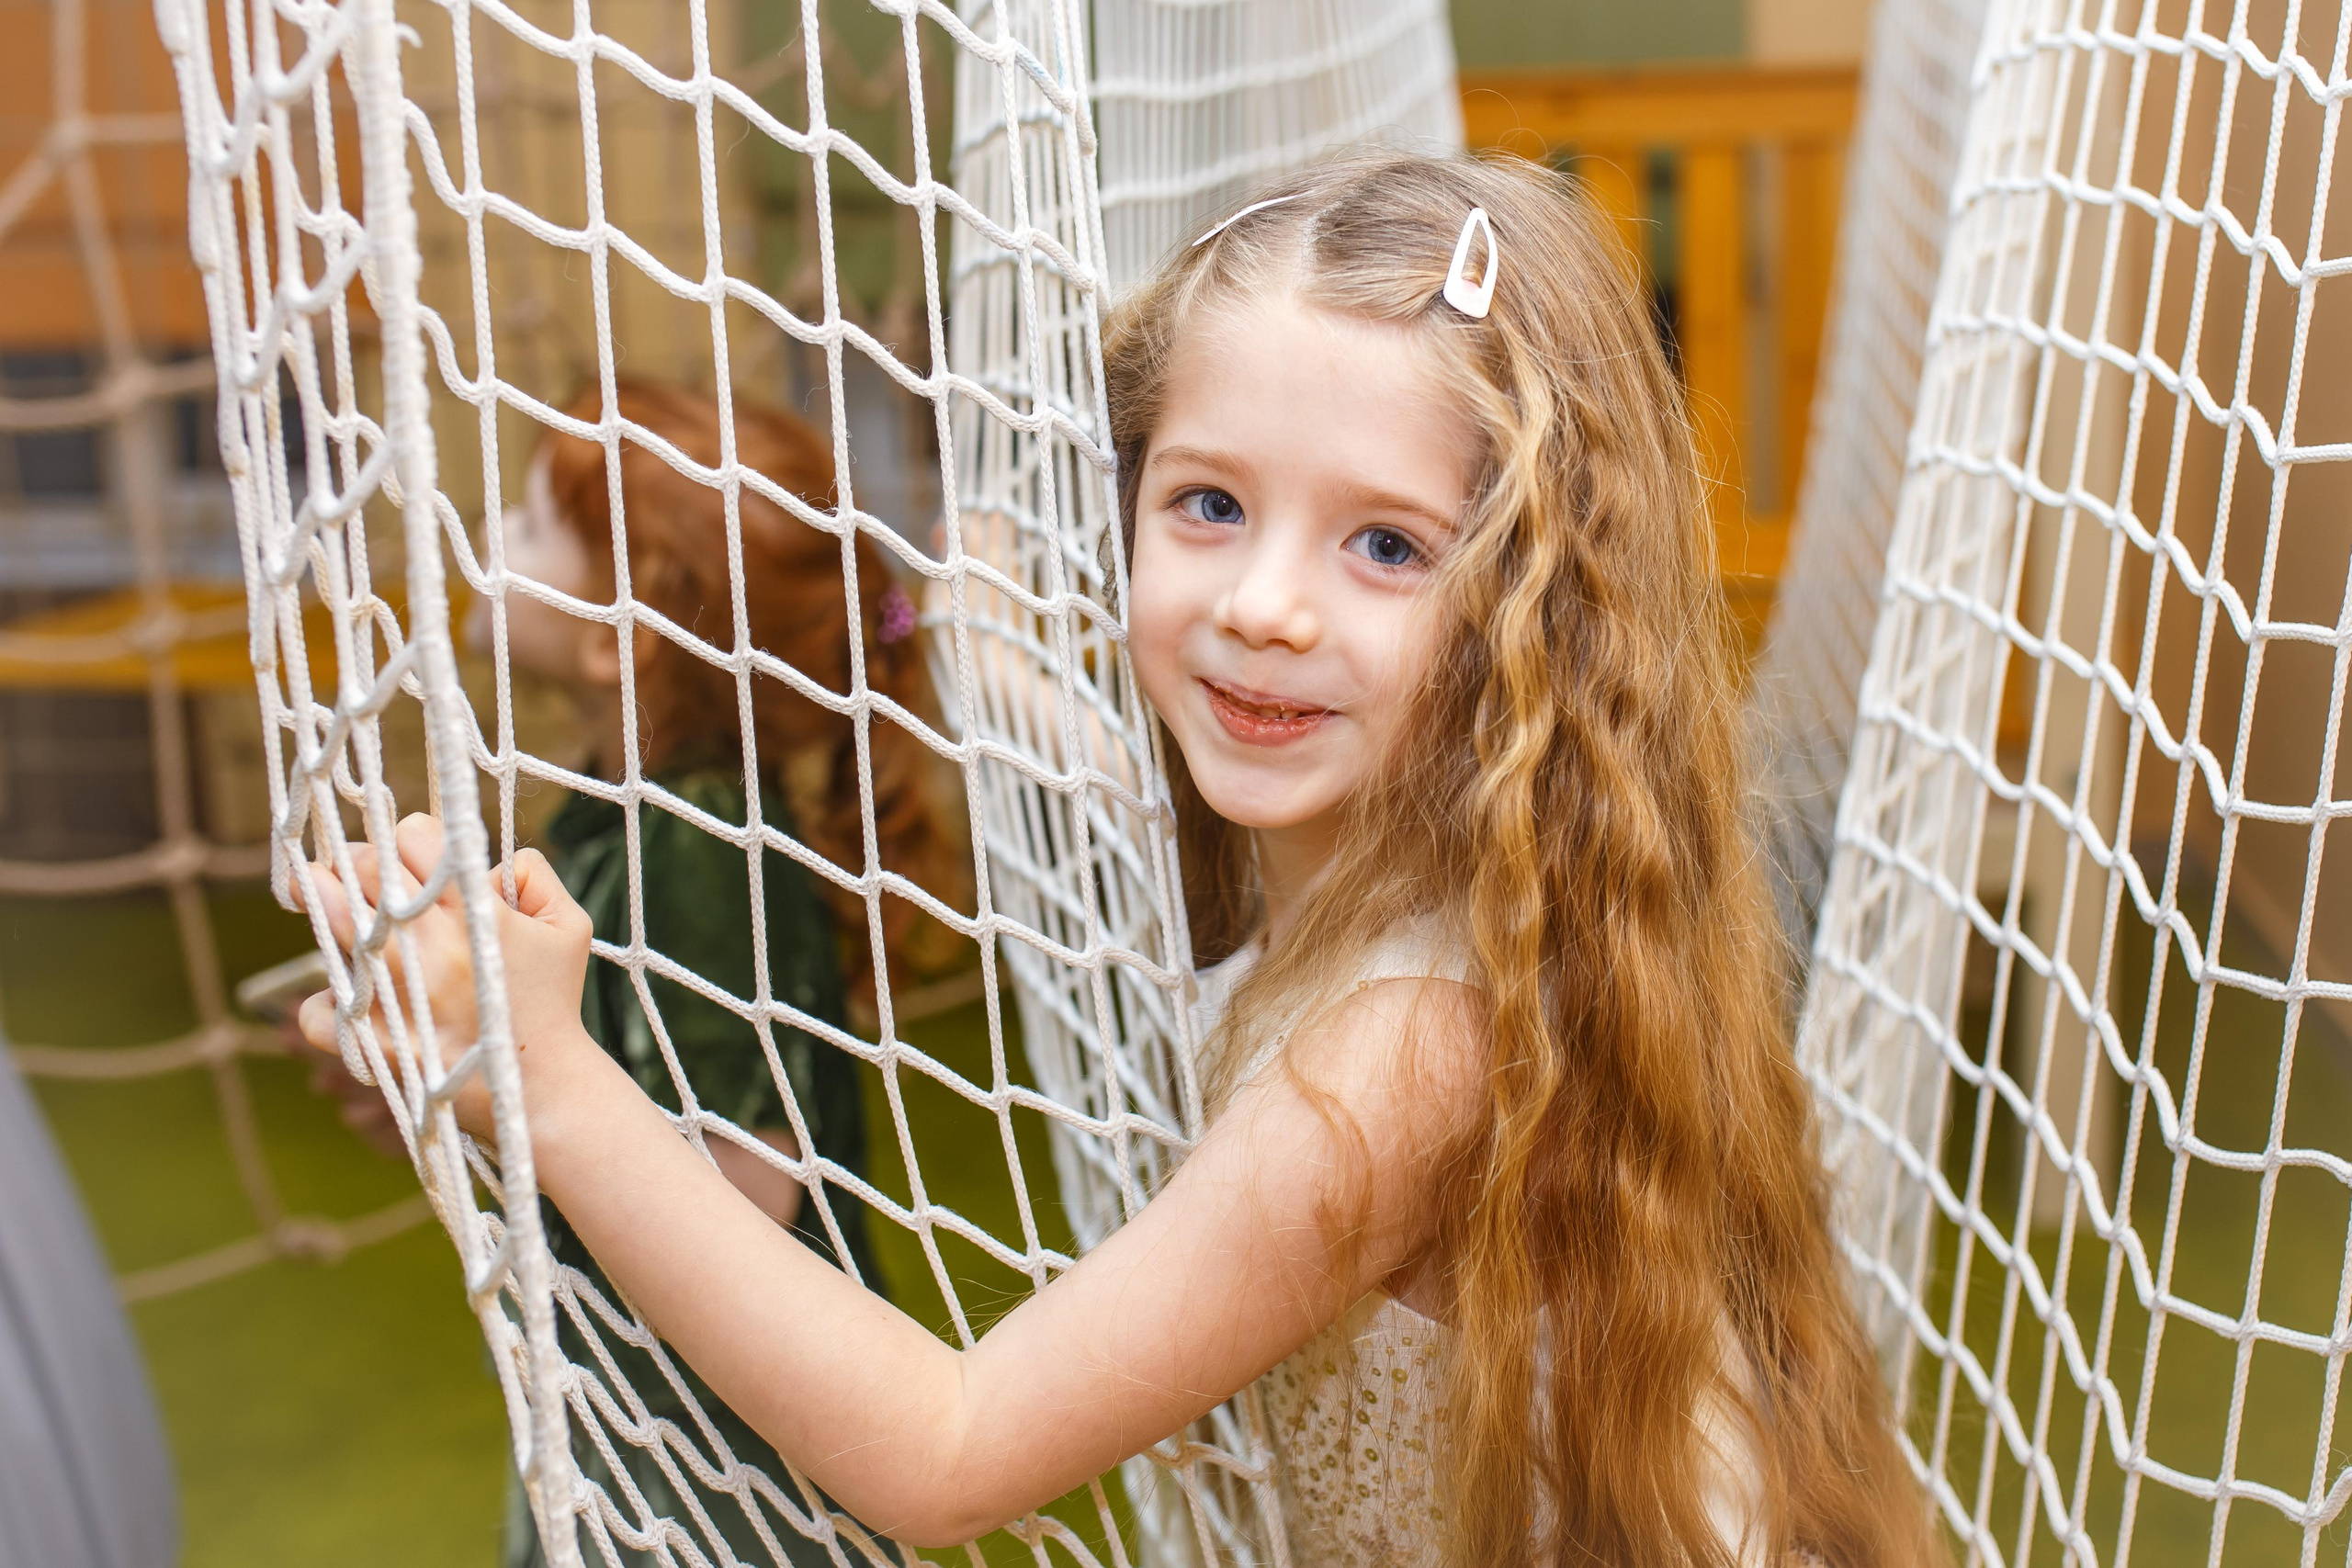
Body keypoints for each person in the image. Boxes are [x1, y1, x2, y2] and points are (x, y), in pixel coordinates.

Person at [300, 154, 1944, 1565]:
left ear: (1537, 619)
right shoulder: (1408, 870)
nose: (1263, 603)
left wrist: (552, 1079)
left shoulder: (1400, 1054)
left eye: (1384, 543)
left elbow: (946, 1451)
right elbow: (1084, 730)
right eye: (1209, 503)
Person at [470, 380, 955, 1566]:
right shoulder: (629, 814)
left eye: (531, 527)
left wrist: (526, 1103)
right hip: (646, 1418)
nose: (490, 537)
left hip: (716, 1472)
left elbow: (745, 1188)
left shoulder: (693, 846)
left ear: (611, 640)